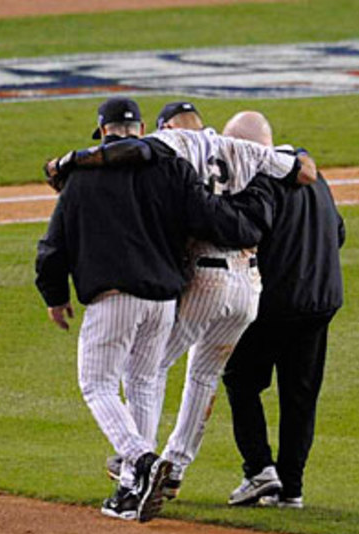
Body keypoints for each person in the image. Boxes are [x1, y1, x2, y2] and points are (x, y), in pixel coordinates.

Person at [45, 103, 316, 500]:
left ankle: (137, 464)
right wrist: (289, 156)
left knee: (146, 370)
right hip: (249, 283)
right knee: (204, 376)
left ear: (166, 126)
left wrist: (72, 161)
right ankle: (173, 467)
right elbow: (305, 172)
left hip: (205, 276)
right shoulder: (246, 149)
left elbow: (130, 148)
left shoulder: (172, 142)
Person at [220, 117, 345, 509]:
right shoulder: (316, 177)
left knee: (240, 380)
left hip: (275, 304)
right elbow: (338, 232)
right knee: (299, 397)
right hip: (320, 301)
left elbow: (243, 233)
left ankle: (259, 470)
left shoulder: (262, 181)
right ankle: (291, 489)